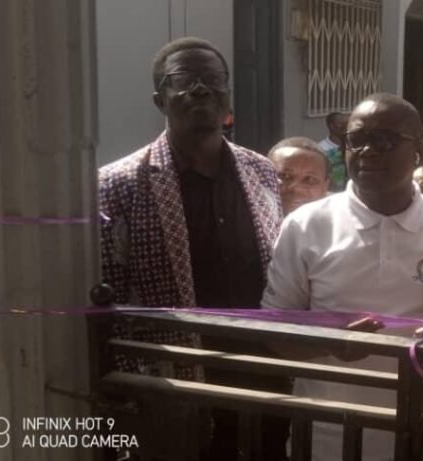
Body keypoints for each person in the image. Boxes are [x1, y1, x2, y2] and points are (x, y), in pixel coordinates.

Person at [263, 93, 423, 461]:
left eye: (384, 140)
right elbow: (273, 332)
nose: (366, 151)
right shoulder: (305, 226)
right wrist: (331, 344)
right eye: (356, 139)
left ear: (416, 152)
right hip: (326, 441)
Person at [98, 37, 285, 461]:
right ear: (159, 99)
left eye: (213, 79)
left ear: (227, 94)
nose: (201, 89)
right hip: (174, 379)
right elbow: (110, 298)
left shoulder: (260, 170)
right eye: (184, 79)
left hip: (263, 372)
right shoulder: (118, 183)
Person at [268, 137, 331, 216]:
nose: (296, 189)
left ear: (325, 187)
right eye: (285, 176)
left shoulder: (338, 222)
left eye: (309, 179)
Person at [318, 111, 349, 191]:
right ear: (332, 126)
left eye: (346, 123)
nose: (345, 127)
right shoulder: (321, 148)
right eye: (341, 123)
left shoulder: (351, 146)